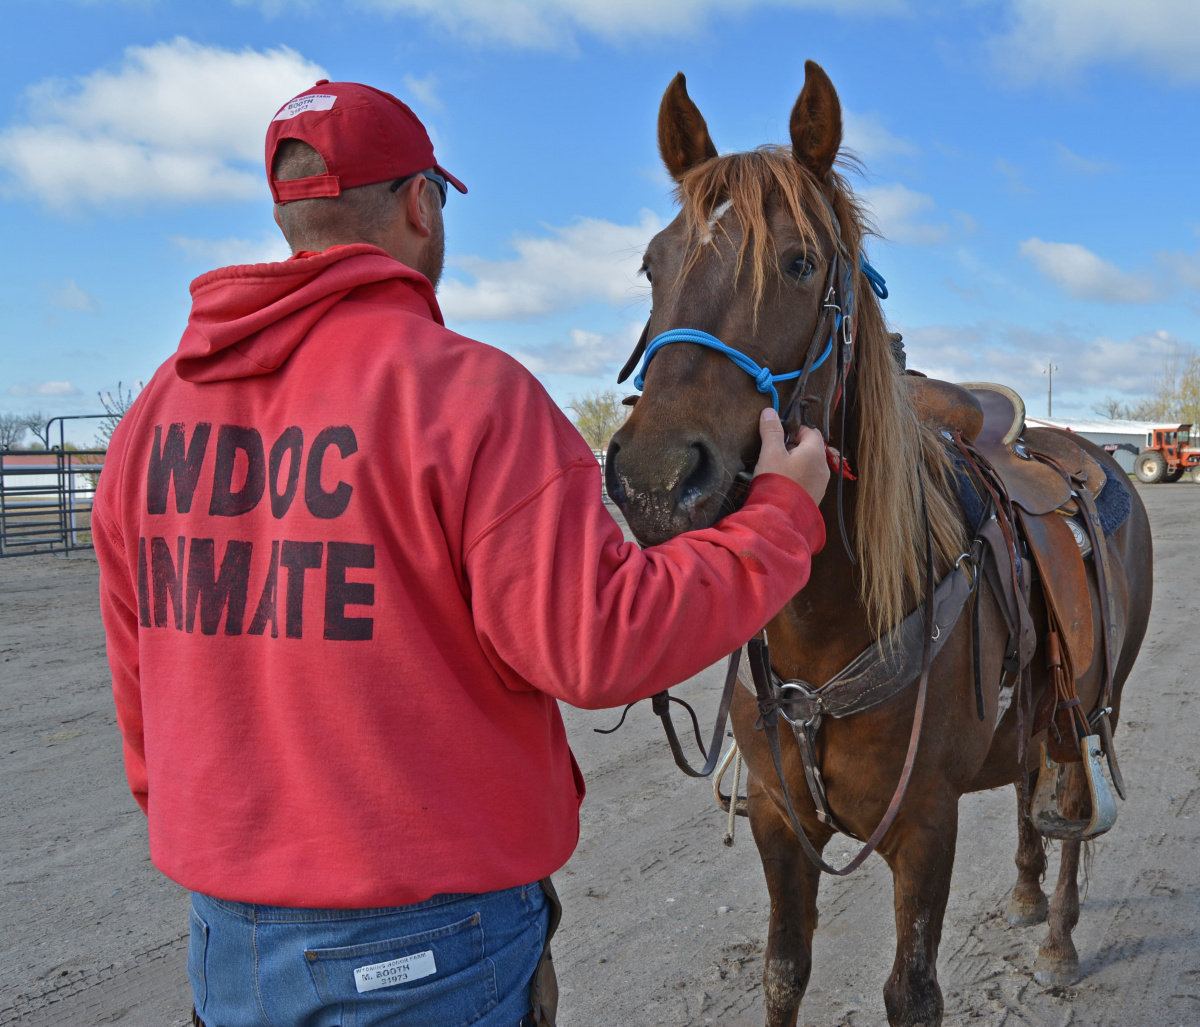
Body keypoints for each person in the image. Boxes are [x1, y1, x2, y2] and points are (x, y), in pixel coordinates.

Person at [91, 80, 830, 1027]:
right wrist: (778, 513)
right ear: (420, 205)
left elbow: (139, 684)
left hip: (226, 950)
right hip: (428, 957)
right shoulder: (471, 396)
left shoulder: (155, 414)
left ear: (292, 213)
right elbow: (600, 642)